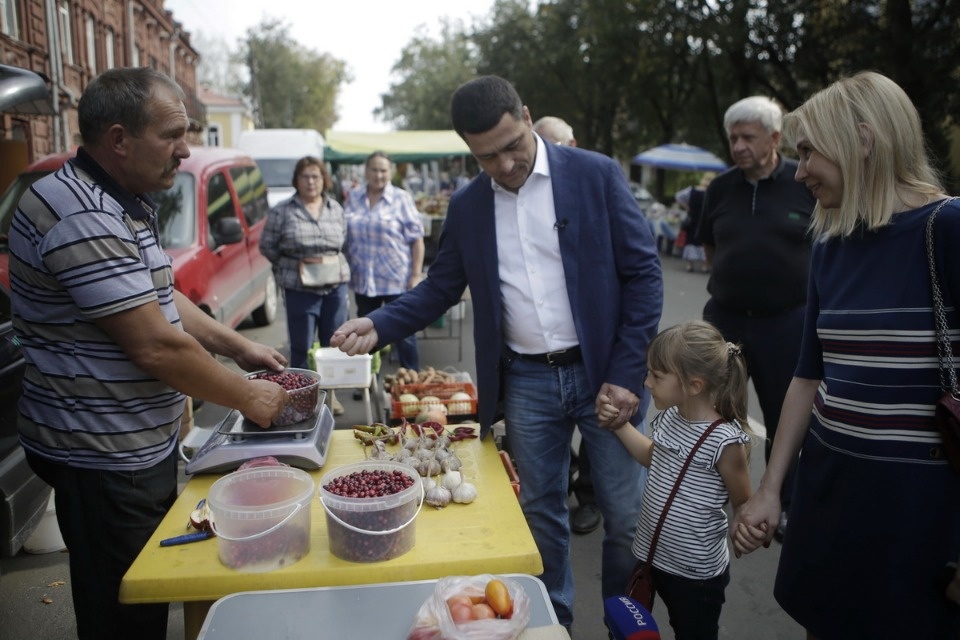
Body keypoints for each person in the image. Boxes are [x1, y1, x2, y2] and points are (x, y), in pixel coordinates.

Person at [331, 75, 664, 629]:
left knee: (627, 517)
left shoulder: (594, 175)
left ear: (528, 117)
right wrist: (379, 322)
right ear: (470, 149)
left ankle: (623, 623)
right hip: (528, 381)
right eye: (489, 156)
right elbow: (440, 287)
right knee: (539, 513)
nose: (507, 164)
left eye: (514, 145)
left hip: (605, 373)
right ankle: (551, 623)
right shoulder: (467, 206)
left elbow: (645, 275)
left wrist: (628, 374)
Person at [7, 67, 289, 640]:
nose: (185, 150)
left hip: (133, 445)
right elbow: (155, 345)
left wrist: (239, 347)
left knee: (147, 591)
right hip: (102, 455)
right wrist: (249, 398)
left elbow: (161, 301)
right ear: (118, 139)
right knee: (125, 610)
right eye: (173, 135)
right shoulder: (81, 214)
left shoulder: (122, 198)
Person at [731, 71, 960, 639]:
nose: (800, 169)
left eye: (809, 152)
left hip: (921, 514)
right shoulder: (831, 244)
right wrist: (769, 490)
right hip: (832, 496)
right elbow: (807, 376)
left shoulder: (948, 228)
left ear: (863, 140)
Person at [696, 95, 816, 541]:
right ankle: (712, 495)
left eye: (748, 136)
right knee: (713, 413)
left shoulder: (803, 182)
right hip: (726, 320)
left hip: (786, 323)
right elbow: (710, 246)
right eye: (733, 138)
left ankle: (779, 502)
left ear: (775, 138)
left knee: (785, 417)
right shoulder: (720, 188)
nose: (739, 145)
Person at [606, 320, 754, 639]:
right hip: (653, 556)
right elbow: (652, 456)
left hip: (695, 574)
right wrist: (619, 425)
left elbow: (743, 501)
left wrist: (746, 527)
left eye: (656, 376)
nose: (646, 382)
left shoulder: (724, 441)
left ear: (694, 385)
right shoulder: (672, 415)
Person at [532, 115, 600, 535]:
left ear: (571, 143)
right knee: (546, 446)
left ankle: (589, 498)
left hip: (594, 351)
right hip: (537, 360)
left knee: (601, 434)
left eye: (552, 146)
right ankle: (569, 480)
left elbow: (638, 271)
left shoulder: (596, 184)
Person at [259, 156, 349, 414]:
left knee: (333, 343)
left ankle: (331, 397)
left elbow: (345, 242)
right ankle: (301, 399)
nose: (311, 181)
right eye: (305, 176)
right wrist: (290, 266)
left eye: (316, 176)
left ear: (324, 180)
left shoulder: (336, 209)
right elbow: (267, 245)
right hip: (299, 288)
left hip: (334, 286)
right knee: (302, 346)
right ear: (296, 181)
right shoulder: (282, 211)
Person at [343, 151, 425, 372]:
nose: (378, 175)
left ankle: (412, 381)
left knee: (405, 333)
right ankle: (369, 382)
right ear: (366, 171)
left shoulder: (401, 198)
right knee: (365, 336)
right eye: (374, 169)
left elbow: (417, 240)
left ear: (390, 172)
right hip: (364, 281)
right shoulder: (354, 197)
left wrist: (415, 275)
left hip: (396, 279)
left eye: (383, 170)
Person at [678, 174, 713, 273]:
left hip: (693, 219)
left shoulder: (692, 191)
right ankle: (704, 266)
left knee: (691, 240)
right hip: (706, 220)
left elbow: (678, 196)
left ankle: (690, 265)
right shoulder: (712, 192)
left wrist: (686, 206)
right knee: (705, 240)